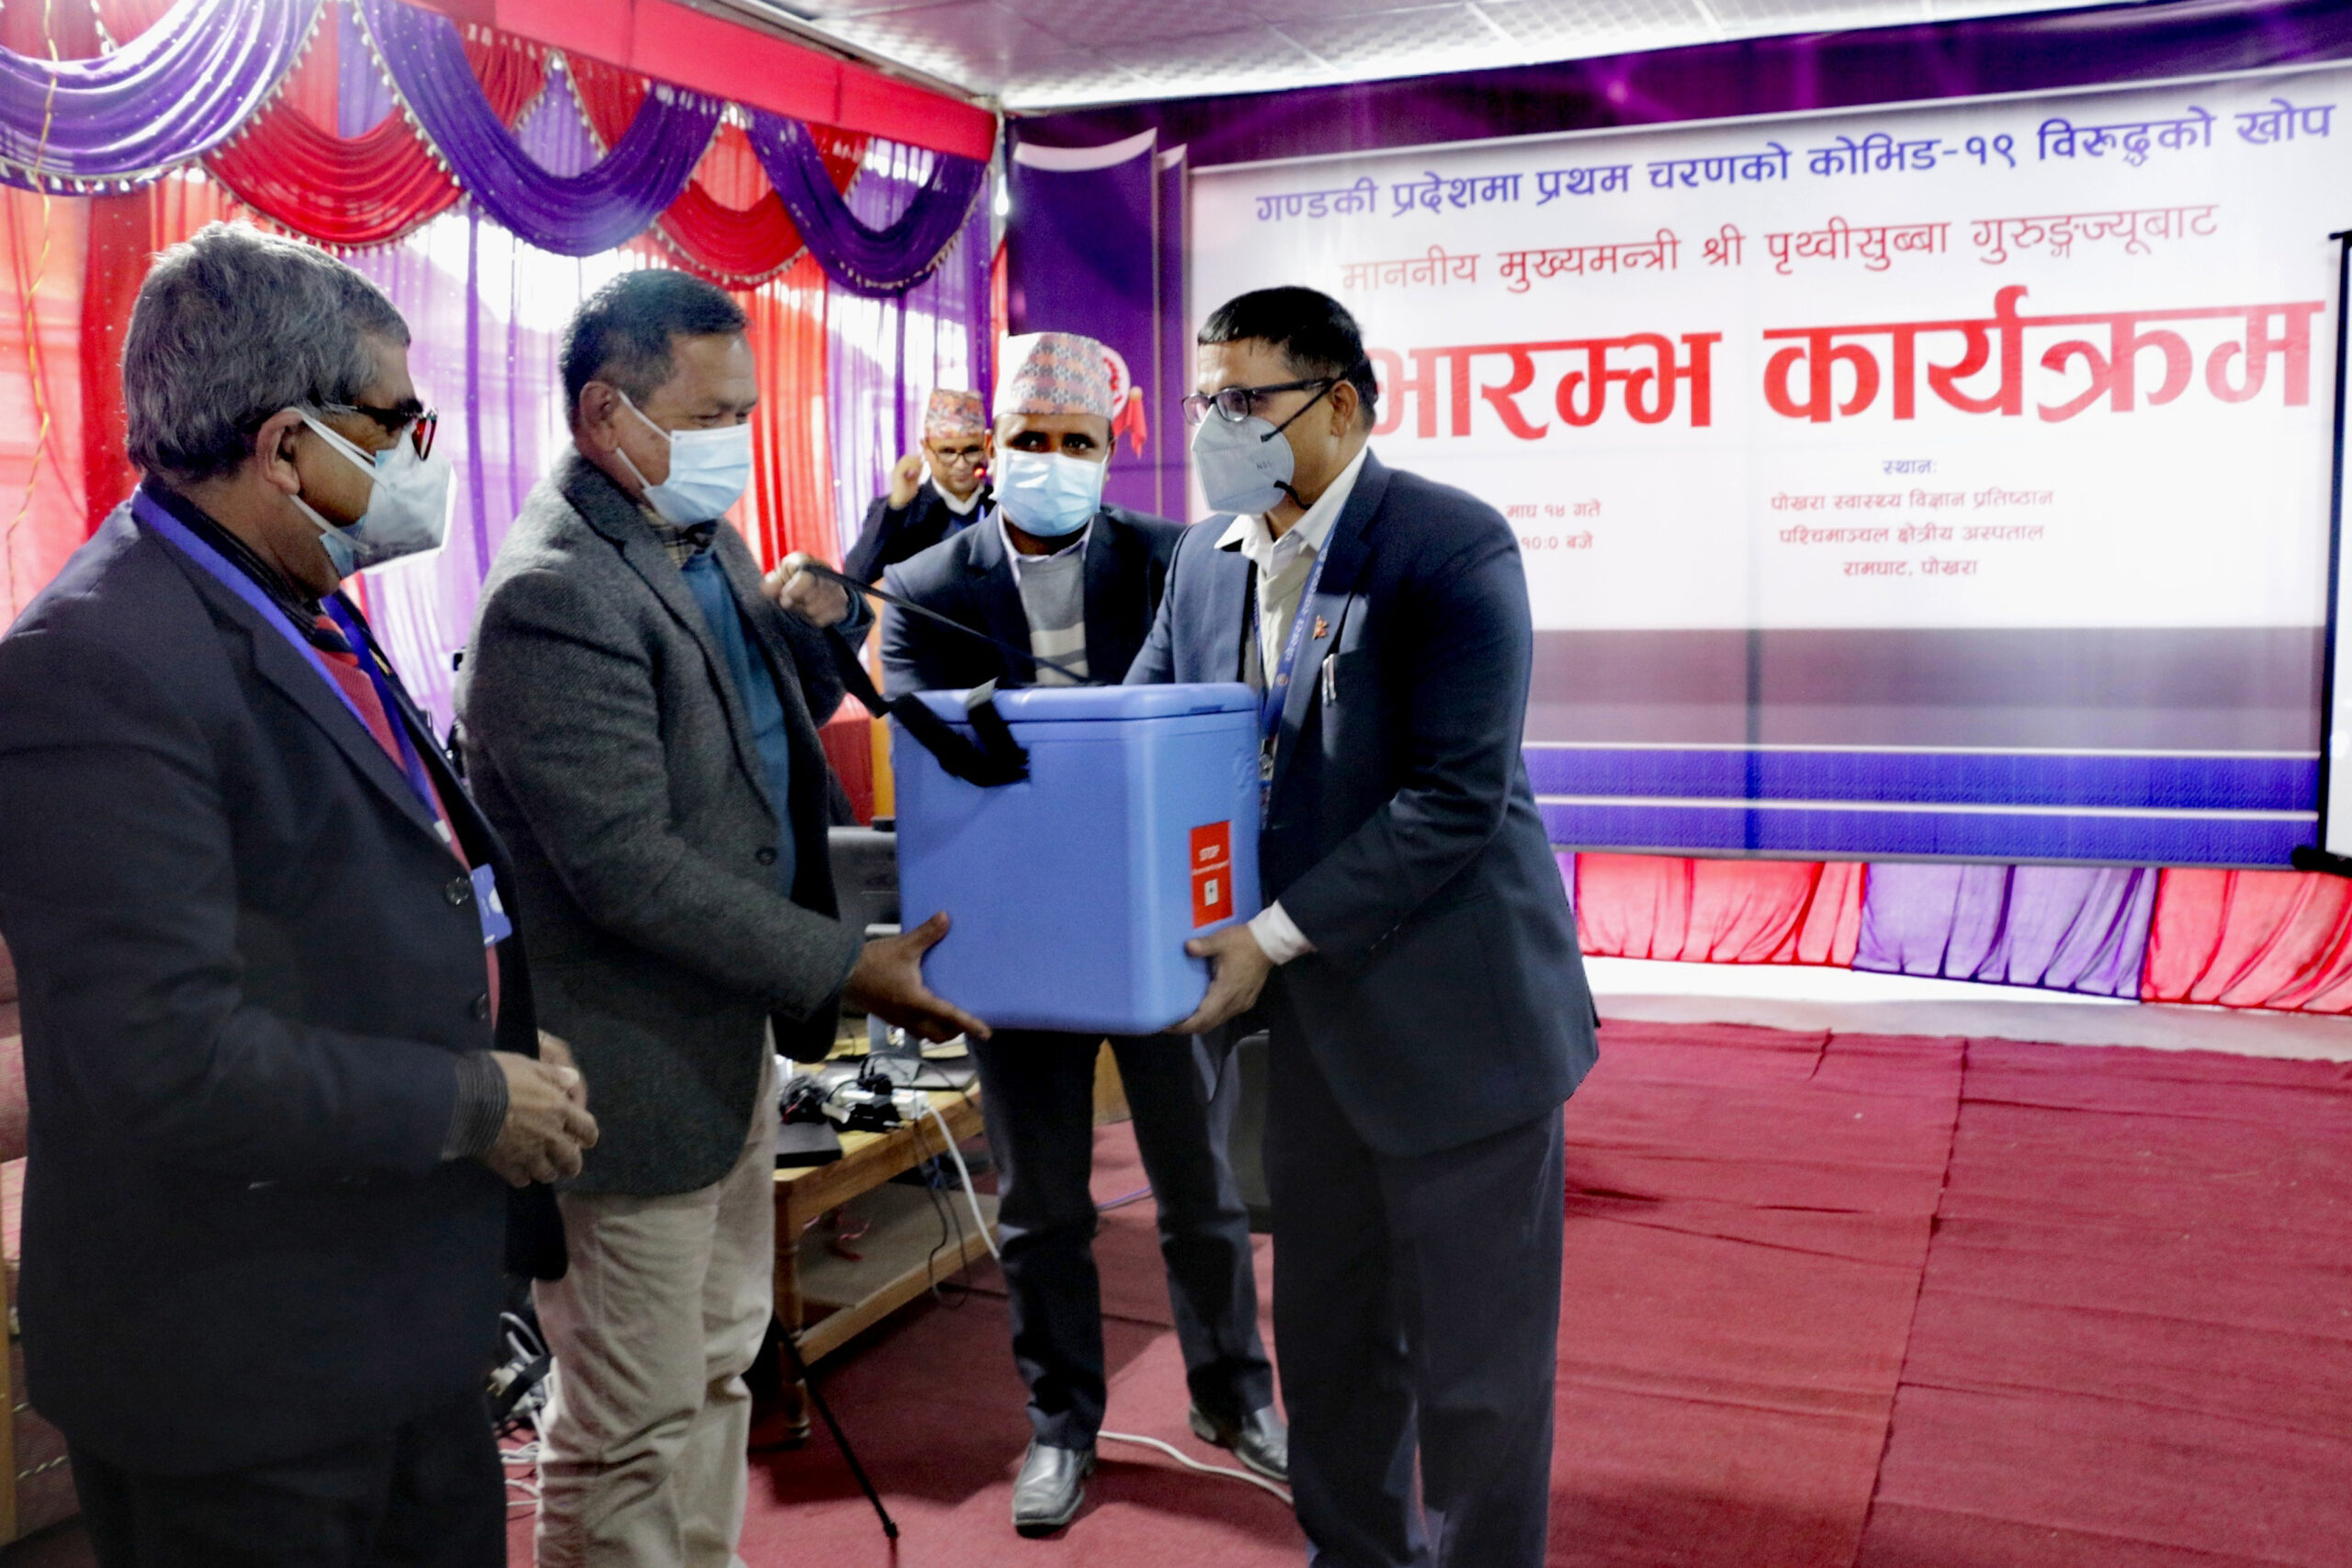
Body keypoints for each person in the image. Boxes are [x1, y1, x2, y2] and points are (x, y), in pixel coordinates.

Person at [0, 222, 597, 1568]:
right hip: (237, 1363)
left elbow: (385, 879)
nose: (422, 456)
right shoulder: (93, 666)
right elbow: (165, 1058)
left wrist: (497, 1032)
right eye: (397, 423)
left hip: (397, 1317)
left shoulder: (295, 594)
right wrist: (471, 1098)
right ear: (285, 446)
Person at [457, 268, 986, 1568]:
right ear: (607, 413)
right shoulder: (554, 592)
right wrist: (848, 964)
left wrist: (817, 630)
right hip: (623, 1075)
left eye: (748, 413)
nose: (736, 443)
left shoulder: (698, 535)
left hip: (727, 1036)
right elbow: (628, 867)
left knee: (716, 1364)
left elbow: (750, 751)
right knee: (629, 1416)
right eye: (710, 417)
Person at [1128, 286, 1598, 1568]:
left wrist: (1269, 937)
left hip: (1460, 1032)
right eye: (1204, 400)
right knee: (1332, 1352)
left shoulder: (1446, 543)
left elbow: (1456, 798)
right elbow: (1146, 749)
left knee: (1477, 1378)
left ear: (1338, 404)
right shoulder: (1203, 558)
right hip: (1309, 1044)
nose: (1216, 426)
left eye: (1244, 400)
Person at [879, 331, 1283, 1537]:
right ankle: (1061, 1424)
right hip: (1015, 934)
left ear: (1111, 450)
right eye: (1029, 439)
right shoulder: (926, 585)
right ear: (987, 447)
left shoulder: (1175, 561)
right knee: (1041, 1205)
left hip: (1159, 928)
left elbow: (1215, 727)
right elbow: (929, 753)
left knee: (1200, 1185)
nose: (1050, 459)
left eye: (1076, 441)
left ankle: (1233, 1394)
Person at [842, 387, 993, 582]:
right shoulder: (902, 513)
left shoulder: (1001, 504)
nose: (961, 464)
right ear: (926, 449)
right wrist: (897, 507)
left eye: (972, 450)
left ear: (986, 446)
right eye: (947, 451)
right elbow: (857, 577)